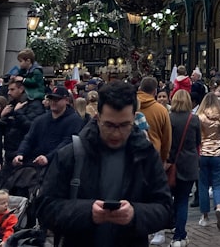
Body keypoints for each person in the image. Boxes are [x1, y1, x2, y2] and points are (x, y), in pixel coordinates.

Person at [37, 80, 173, 246]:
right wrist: (87, 212)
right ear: (98, 116)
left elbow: (165, 208)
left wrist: (135, 214)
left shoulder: (146, 155)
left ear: (134, 118)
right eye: (109, 125)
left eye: (124, 125)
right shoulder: (72, 153)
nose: (116, 133)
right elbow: (46, 208)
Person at [13, 84, 84, 170]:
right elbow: (29, 138)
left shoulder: (75, 120)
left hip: (61, 168)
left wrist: (48, 157)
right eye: (51, 99)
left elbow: (67, 143)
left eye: (57, 99)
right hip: (36, 165)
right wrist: (21, 153)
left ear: (66, 100)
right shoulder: (41, 119)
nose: (53, 102)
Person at [165, 89, 201, 247]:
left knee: (171, 198)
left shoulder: (169, 118)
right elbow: (198, 142)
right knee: (183, 201)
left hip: (172, 163)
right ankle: (179, 235)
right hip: (189, 164)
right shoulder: (194, 119)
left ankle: (173, 227)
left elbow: (168, 142)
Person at [196, 90, 220, 230]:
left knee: (203, 185)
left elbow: (196, 135)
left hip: (203, 152)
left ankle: (205, 216)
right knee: (217, 183)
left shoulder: (199, 116)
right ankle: (219, 207)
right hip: (218, 152)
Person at [138, 76, 173, 165]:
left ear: (140, 88)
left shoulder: (130, 105)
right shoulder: (161, 110)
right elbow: (167, 138)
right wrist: (164, 158)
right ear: (155, 92)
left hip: (132, 156)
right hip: (154, 155)